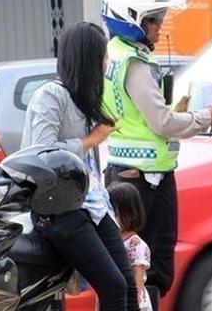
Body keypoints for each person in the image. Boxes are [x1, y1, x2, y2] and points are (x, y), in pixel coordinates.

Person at [100, 0, 212, 304]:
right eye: (153, 21)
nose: (159, 28)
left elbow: (137, 117)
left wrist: (175, 109)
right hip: (147, 182)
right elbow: (162, 123)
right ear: (132, 21)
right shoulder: (136, 64)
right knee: (151, 267)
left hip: (122, 172)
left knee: (124, 262)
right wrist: (205, 118)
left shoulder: (113, 55)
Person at [22, 22, 137, 311]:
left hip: (93, 206)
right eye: (103, 56)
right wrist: (89, 140)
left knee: (128, 284)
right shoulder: (51, 95)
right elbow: (41, 153)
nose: (106, 63)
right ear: (88, 59)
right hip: (61, 211)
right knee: (113, 286)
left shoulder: (85, 98)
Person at [108, 182, 152, 311]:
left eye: (115, 214)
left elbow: (137, 280)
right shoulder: (112, 240)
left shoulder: (136, 245)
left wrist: (135, 304)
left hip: (133, 302)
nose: (111, 219)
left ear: (130, 214)